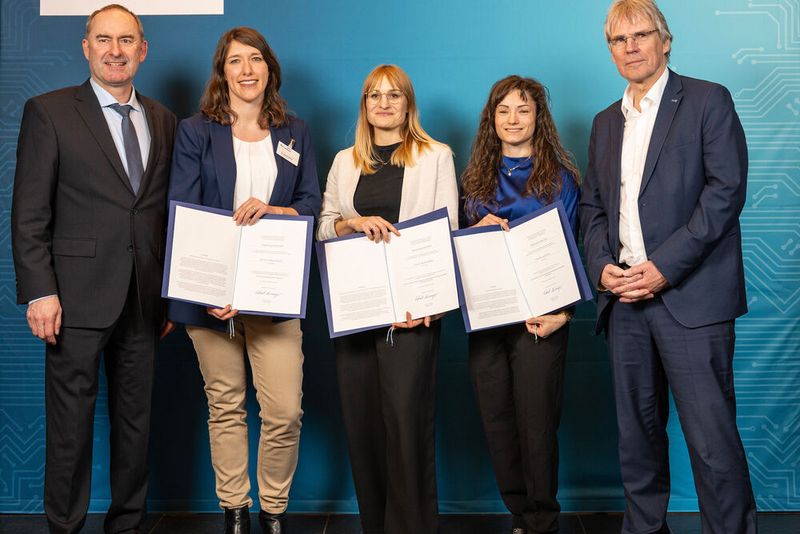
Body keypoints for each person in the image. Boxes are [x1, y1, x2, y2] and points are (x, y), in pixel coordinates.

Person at [579, 1, 758, 533]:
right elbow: (593, 207)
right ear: (610, 51)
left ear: (666, 40)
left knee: (712, 444)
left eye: (641, 35)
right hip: (624, 301)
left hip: (691, 299)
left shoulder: (707, 100)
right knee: (637, 443)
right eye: (619, 40)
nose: (630, 47)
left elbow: (725, 193)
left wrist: (663, 268)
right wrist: (601, 267)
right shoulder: (604, 123)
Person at [10, 4, 176, 533]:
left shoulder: (163, 119)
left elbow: (162, 214)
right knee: (69, 427)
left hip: (144, 299)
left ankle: (126, 524)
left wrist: (171, 295)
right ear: (86, 47)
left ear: (142, 49)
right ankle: (65, 526)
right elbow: (29, 212)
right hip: (73, 298)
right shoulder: (50, 112)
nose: (115, 51)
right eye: (103, 39)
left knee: (135, 424)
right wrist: (40, 292)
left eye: (126, 40)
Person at [167, 27, 320, 534]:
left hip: (273, 294)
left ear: (269, 69)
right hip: (212, 298)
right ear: (223, 72)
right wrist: (211, 290)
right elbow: (183, 210)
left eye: (256, 59)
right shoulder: (195, 131)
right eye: (236, 61)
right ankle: (235, 511)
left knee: (284, 411)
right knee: (226, 406)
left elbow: (311, 204)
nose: (247, 69)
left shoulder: (295, 132)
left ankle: (273, 510)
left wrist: (276, 210)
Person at [316, 64, 458, 534]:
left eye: (393, 95)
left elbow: (446, 232)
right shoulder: (344, 161)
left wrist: (430, 305)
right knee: (363, 428)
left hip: (412, 313)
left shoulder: (436, 156)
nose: (383, 103)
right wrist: (351, 223)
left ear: (407, 103)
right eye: (374, 95)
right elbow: (323, 226)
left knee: (406, 427)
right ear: (364, 104)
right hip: (356, 312)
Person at [461, 75, 579, 534]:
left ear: (538, 118)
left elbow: (575, 250)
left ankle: (543, 520)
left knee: (536, 424)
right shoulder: (474, 180)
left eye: (523, 110)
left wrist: (563, 315)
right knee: (497, 420)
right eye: (504, 110)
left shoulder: (561, 180)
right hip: (489, 318)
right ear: (491, 119)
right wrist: (472, 232)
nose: (513, 119)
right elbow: (457, 252)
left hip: (540, 319)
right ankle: (519, 515)